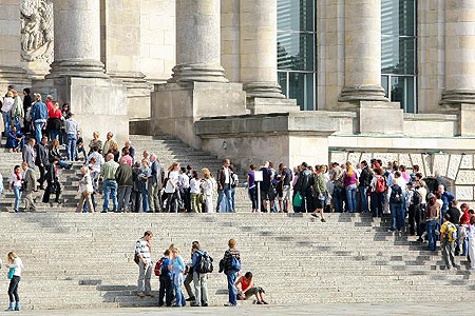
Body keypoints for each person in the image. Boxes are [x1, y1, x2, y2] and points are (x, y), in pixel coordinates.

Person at [190, 241, 209, 307]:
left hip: (197, 271)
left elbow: (193, 264)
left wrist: (188, 264)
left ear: (194, 247)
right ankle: (205, 301)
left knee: (197, 287)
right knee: (204, 286)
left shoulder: (196, 253)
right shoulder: (205, 252)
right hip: (205, 271)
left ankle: (198, 302)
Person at [135, 231, 153, 298]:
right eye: (150, 236)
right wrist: (143, 260)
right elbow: (138, 252)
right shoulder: (139, 241)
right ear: (146, 235)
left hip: (149, 261)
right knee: (142, 276)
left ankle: (148, 291)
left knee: (148, 277)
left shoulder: (147, 242)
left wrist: (150, 247)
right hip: (143, 261)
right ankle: (140, 291)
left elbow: (150, 252)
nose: (150, 238)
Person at [223, 239, 241, 307]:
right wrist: (239, 270)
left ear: (229, 244)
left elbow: (225, 260)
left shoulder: (228, 251)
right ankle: (232, 300)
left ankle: (233, 301)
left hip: (230, 270)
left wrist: (224, 268)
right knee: (232, 285)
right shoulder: (237, 252)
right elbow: (239, 261)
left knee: (231, 286)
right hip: (236, 270)